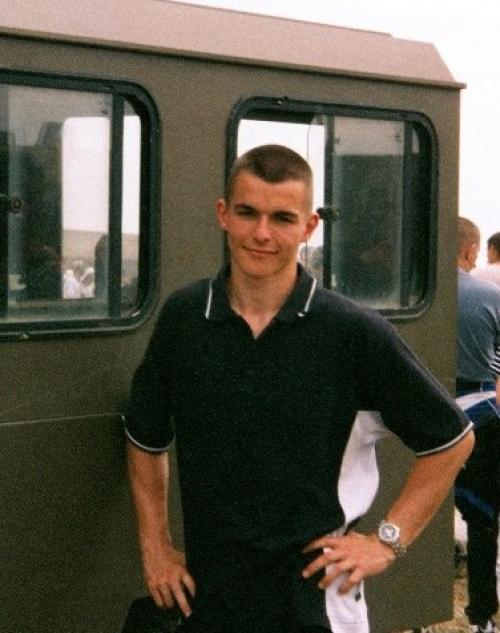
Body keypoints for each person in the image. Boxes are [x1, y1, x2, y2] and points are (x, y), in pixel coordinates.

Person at [125, 145, 474, 633]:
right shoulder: (184, 318)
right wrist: (156, 546)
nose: (262, 233)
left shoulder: (352, 332)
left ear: (309, 226)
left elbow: (451, 439)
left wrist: (386, 542)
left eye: (282, 218)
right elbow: (145, 437)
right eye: (247, 212)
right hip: (209, 599)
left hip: (318, 606)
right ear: (223, 214)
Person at [455, 217, 500, 633]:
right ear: (470, 251)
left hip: (420, 411)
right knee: (483, 520)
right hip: (480, 413)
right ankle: (480, 617)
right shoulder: (490, 296)